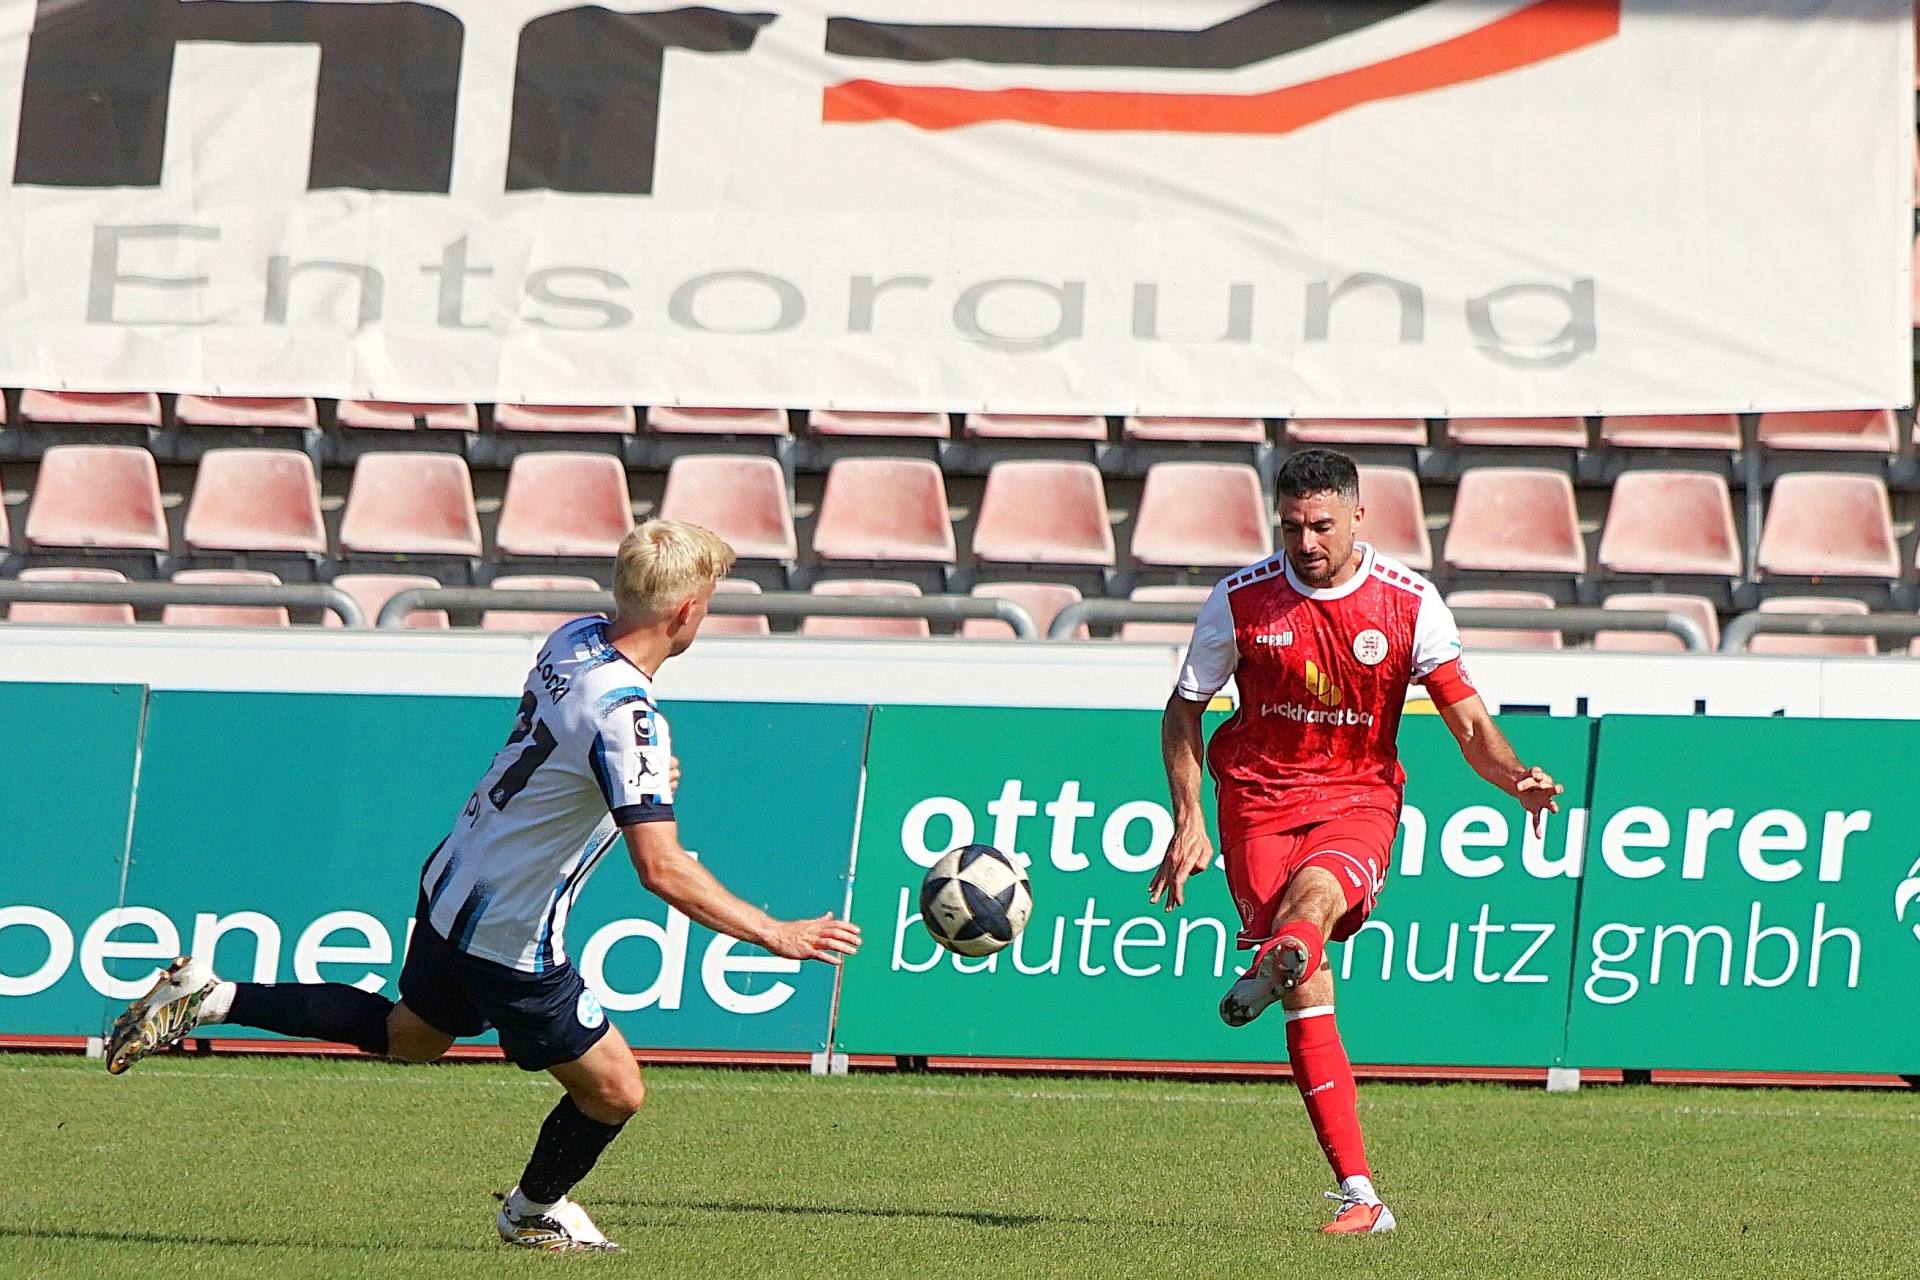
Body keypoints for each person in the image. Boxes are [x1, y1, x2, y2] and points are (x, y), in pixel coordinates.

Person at [104, 520, 862, 1252]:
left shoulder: (574, 638)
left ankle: (213, 997)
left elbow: (564, 757)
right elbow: (660, 867)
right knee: (615, 1091)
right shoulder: (630, 716)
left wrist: (633, 782)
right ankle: (534, 1213)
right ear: (687, 611)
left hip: (454, 876)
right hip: (509, 934)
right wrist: (775, 932)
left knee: (411, 1035)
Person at [1148, 448, 1562, 1236]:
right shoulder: (1239, 601)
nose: (1305, 542)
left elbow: (1469, 724)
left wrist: (1515, 779)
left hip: (1357, 797)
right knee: (1307, 986)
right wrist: (1189, 817)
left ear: (1358, 517)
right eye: (1291, 527)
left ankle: (1286, 953)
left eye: (1322, 525)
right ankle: (1361, 1195)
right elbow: (1184, 709)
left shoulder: (1409, 603)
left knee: (1313, 904)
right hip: (1257, 803)